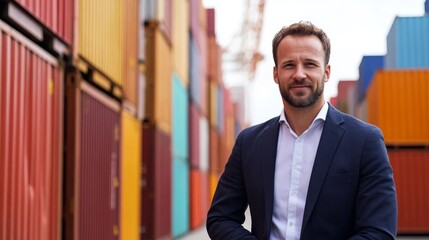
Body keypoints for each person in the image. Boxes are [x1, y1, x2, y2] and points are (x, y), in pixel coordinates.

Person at [206, 21, 397, 240]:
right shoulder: (249, 143)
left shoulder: (365, 141)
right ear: (276, 74)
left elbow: (379, 232)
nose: (299, 74)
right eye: (289, 65)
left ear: (326, 72)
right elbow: (220, 218)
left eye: (309, 64)